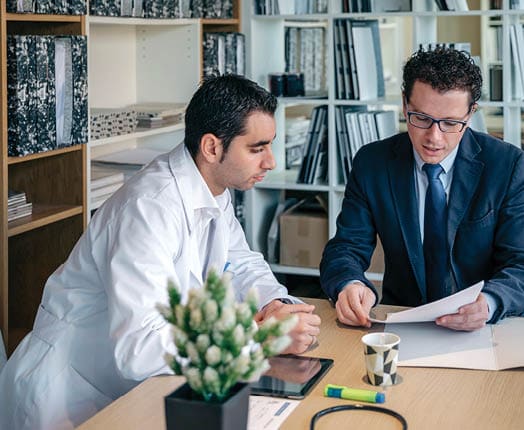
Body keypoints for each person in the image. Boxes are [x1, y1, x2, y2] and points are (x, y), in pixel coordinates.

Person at [0, 75, 321, 430]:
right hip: (65, 394)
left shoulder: (214, 187)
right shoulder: (148, 208)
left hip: (129, 391)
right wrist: (259, 335)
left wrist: (279, 307)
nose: (271, 162)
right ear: (212, 148)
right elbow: (141, 349)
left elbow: (241, 263)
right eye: (257, 148)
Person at [320, 47, 524, 332]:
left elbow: (520, 262)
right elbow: (346, 247)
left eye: (451, 123)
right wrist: (348, 284)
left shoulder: (508, 164)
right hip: (402, 320)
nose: (434, 138)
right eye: (422, 118)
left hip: (483, 327)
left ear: (471, 113)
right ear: (405, 104)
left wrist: (489, 303)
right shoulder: (372, 163)